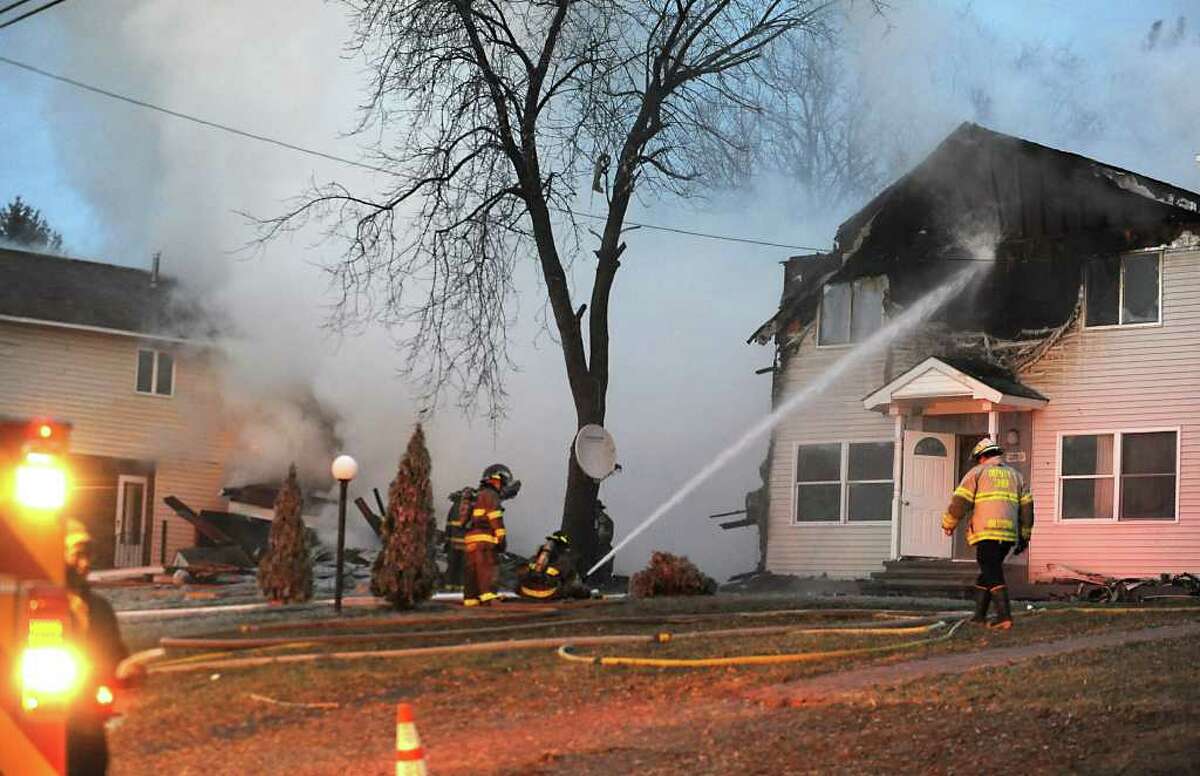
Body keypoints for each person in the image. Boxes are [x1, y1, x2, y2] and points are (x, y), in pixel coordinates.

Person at [63, 519, 137, 776]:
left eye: (88, 555)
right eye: (77, 555)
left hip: (89, 722)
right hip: (48, 716)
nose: (85, 564)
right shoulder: (27, 607)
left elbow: (116, 656)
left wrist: (129, 671)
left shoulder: (100, 608)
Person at [942, 437, 1034, 630]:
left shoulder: (977, 472)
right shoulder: (1016, 476)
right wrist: (1025, 536)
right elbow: (1027, 509)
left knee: (991, 571)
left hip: (986, 532)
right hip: (1007, 535)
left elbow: (960, 503)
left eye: (978, 459)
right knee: (988, 572)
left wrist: (949, 524)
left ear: (982, 457)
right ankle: (979, 616)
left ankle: (1004, 617)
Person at [462, 464, 520, 607]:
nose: (503, 487)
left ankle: (471, 600)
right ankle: (489, 598)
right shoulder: (491, 495)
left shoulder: (476, 496)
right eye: (503, 483)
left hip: (471, 541)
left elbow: (464, 521)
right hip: (485, 541)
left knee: (472, 572)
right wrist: (502, 540)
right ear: (496, 480)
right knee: (487, 570)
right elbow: (496, 520)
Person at [517, 531, 587, 601]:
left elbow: (521, 573)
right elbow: (572, 582)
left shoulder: (534, 558)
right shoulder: (565, 561)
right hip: (549, 595)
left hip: (525, 592)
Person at [442, 488, 473, 590]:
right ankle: (462, 587)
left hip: (454, 543)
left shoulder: (454, 507)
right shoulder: (473, 508)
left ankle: (449, 586)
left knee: (452, 565)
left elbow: (448, 526)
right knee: (463, 567)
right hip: (466, 544)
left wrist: (447, 541)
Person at [592, 500, 614, 585]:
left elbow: (604, 536)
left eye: (596, 509)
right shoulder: (593, 520)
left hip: (603, 549)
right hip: (596, 548)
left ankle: (604, 582)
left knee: (604, 568)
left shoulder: (605, 521)